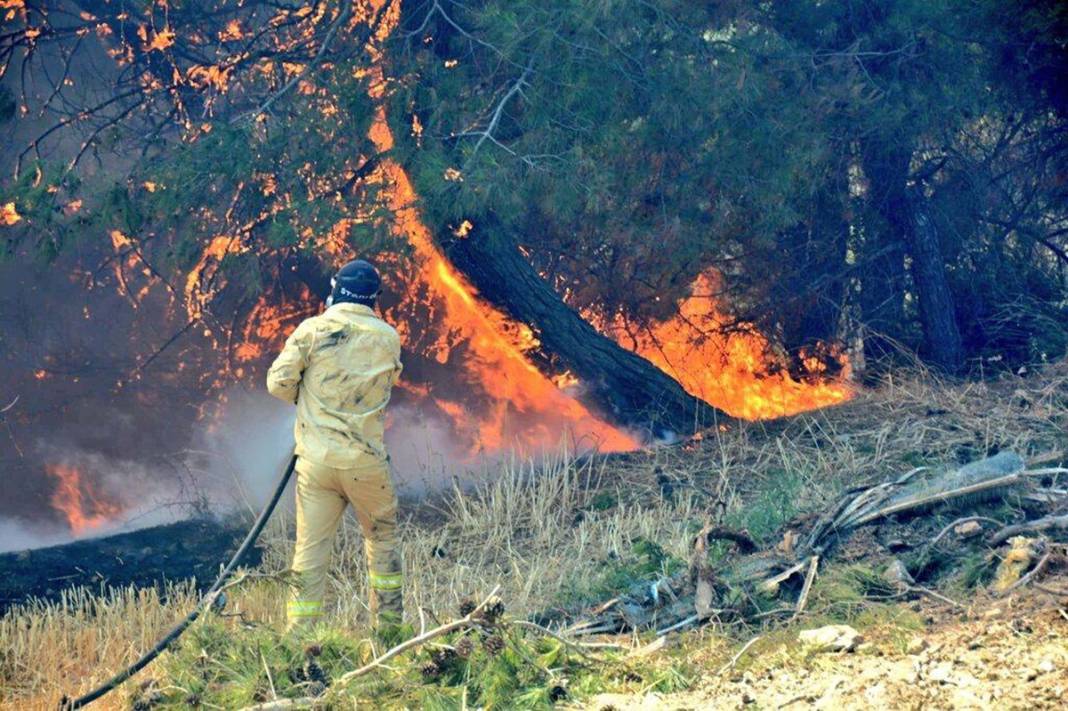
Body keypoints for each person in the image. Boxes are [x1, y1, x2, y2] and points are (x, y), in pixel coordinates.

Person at [266, 259, 404, 632]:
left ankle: (300, 638)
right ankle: (389, 630)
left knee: (310, 551)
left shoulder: (313, 330)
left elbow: (278, 383)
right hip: (365, 464)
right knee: (382, 540)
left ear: (334, 289)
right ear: (375, 298)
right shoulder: (388, 337)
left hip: (317, 463)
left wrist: (309, 398)